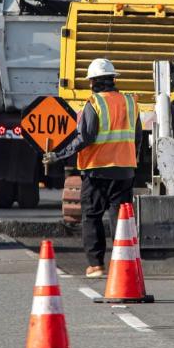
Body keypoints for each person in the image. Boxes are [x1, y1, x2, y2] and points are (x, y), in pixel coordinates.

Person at [43, 59, 142, 278]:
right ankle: (123, 264)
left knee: (92, 216)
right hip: (125, 170)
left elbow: (85, 137)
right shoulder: (130, 102)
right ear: (113, 80)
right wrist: (131, 161)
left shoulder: (94, 103)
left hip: (97, 170)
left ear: (92, 83)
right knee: (122, 219)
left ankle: (96, 265)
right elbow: (138, 138)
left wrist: (58, 155)